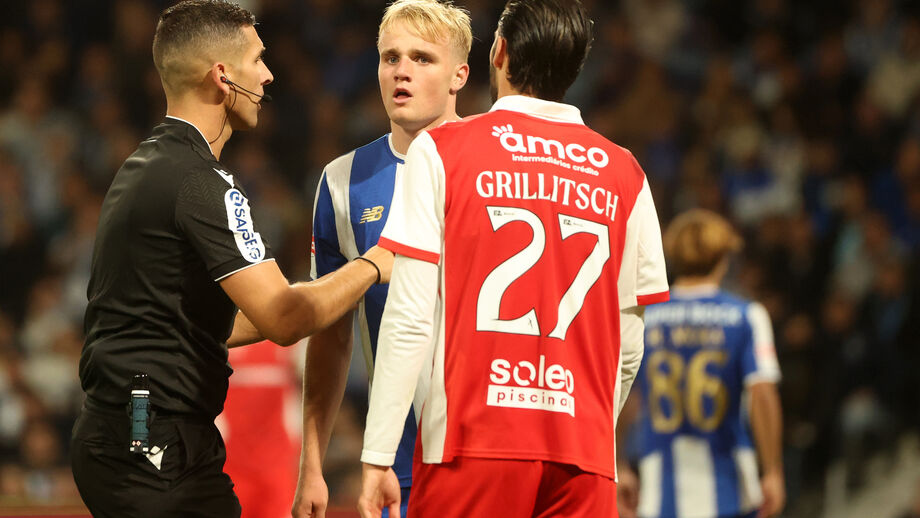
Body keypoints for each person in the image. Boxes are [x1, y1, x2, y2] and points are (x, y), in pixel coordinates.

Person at [70, 2, 391, 517]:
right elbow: (283, 318)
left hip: (133, 430)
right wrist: (376, 263)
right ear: (222, 76)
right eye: (258, 60)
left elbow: (202, 322)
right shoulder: (200, 183)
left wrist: (321, 293)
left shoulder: (146, 165)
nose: (268, 74)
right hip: (149, 437)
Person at [358, 1, 670, 516]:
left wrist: (377, 456)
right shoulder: (626, 174)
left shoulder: (440, 151)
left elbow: (409, 319)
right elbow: (629, 340)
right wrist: (590, 426)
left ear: (498, 52)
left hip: (471, 442)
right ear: (573, 68)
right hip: (583, 454)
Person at [292, 2, 471, 517]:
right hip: (393, 466)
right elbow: (330, 332)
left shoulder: (495, 165)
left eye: (422, 57)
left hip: (489, 452)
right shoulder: (342, 181)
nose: (402, 70)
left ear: (460, 74)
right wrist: (312, 464)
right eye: (390, 57)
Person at [616, 209, 784, 518]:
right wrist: (773, 470)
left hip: (658, 492)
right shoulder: (746, 316)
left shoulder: (644, 318)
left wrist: (618, 463)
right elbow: (762, 393)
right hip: (731, 488)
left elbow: (627, 395)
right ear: (723, 257)